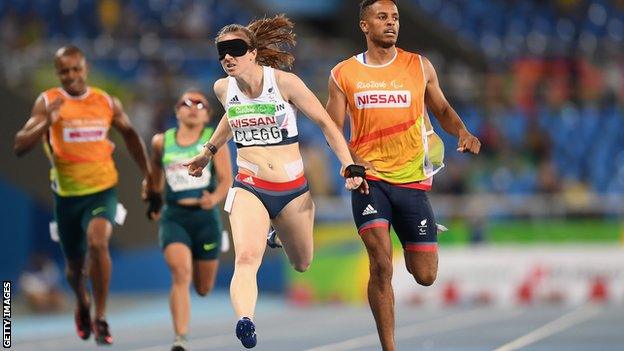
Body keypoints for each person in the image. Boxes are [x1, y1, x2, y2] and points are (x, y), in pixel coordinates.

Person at [184, 15, 366, 349]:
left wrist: (349, 166)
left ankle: (277, 232)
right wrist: (208, 152)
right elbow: (231, 117)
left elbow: (327, 124)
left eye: (236, 49)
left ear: (252, 53)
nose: (228, 57)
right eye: (222, 51)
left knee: (302, 262)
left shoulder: (285, 84)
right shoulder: (223, 88)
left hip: (292, 189)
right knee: (246, 258)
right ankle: (245, 320)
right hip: (249, 185)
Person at [326, 1, 481, 350]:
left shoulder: (419, 65)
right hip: (370, 180)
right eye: (382, 17)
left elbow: (440, 108)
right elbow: (332, 128)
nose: (391, 23)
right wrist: (350, 161)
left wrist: (463, 132)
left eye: (395, 18)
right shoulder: (343, 74)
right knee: (380, 264)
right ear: (364, 25)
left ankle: (413, 228)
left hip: (412, 181)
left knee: (425, 275)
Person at [14, 46, 155, 346]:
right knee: (75, 269)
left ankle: (100, 317)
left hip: (102, 190)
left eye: (76, 69)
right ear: (58, 73)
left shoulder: (105, 101)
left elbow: (130, 135)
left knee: (98, 242)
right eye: (64, 71)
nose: (71, 76)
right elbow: (20, 145)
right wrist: (46, 121)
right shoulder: (48, 102)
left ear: (85, 68)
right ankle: (82, 302)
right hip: (67, 197)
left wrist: (148, 175)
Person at [144, 90, 232, 351]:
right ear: (176, 111)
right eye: (186, 103)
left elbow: (226, 179)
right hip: (175, 217)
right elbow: (155, 177)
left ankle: (202, 267)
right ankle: (180, 338)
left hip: (205, 219)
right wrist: (152, 196)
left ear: (207, 115)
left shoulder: (213, 140)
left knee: (203, 288)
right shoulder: (162, 141)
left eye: (200, 104)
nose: (192, 107)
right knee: (180, 273)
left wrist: (213, 199)